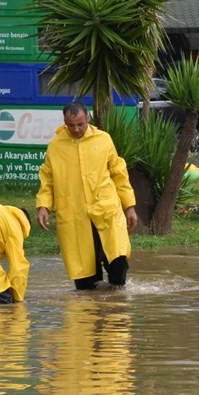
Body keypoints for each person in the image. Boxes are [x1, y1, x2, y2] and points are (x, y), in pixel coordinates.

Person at [36, 102, 138, 290]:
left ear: (88, 119)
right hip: (74, 215)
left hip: (106, 212)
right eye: (71, 125)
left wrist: (129, 207)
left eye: (80, 124)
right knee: (84, 280)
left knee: (118, 263)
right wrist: (43, 206)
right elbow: (47, 180)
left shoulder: (104, 140)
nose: (76, 129)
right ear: (65, 122)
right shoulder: (55, 146)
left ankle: (117, 314)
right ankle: (88, 317)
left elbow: (119, 174)